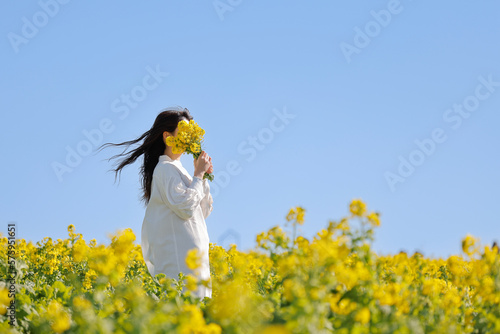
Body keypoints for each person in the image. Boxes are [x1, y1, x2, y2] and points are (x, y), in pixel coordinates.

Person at [97, 107, 214, 299]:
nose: (190, 137)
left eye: (191, 132)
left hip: (195, 259)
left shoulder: (181, 171)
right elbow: (186, 208)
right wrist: (198, 175)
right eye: (184, 131)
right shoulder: (165, 169)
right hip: (180, 258)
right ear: (168, 137)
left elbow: (202, 212)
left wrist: (202, 177)